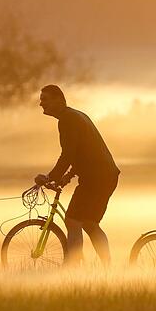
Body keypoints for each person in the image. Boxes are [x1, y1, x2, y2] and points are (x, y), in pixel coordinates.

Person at [34, 85, 120, 266]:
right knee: (89, 223)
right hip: (105, 175)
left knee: (72, 221)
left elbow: (68, 155)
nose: (41, 104)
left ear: (59, 100)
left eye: (45, 99)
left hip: (96, 178)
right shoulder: (74, 116)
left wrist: (50, 177)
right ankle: (108, 268)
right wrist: (68, 175)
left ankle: (72, 268)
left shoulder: (67, 120)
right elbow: (84, 152)